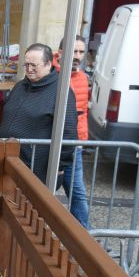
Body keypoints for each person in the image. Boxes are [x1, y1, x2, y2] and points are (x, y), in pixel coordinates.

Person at [0, 44, 79, 194]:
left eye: (34, 65)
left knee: (30, 205)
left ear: (48, 64)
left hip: (37, 167)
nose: (29, 69)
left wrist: (59, 166)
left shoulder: (61, 92)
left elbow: (69, 132)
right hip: (9, 161)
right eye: (26, 64)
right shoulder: (20, 86)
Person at [52, 36, 91, 228]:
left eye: (81, 52)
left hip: (74, 143)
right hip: (53, 142)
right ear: (61, 52)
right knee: (44, 189)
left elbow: (82, 112)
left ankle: (85, 233)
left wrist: (82, 139)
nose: (77, 56)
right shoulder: (52, 73)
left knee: (77, 192)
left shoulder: (82, 77)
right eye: (74, 51)